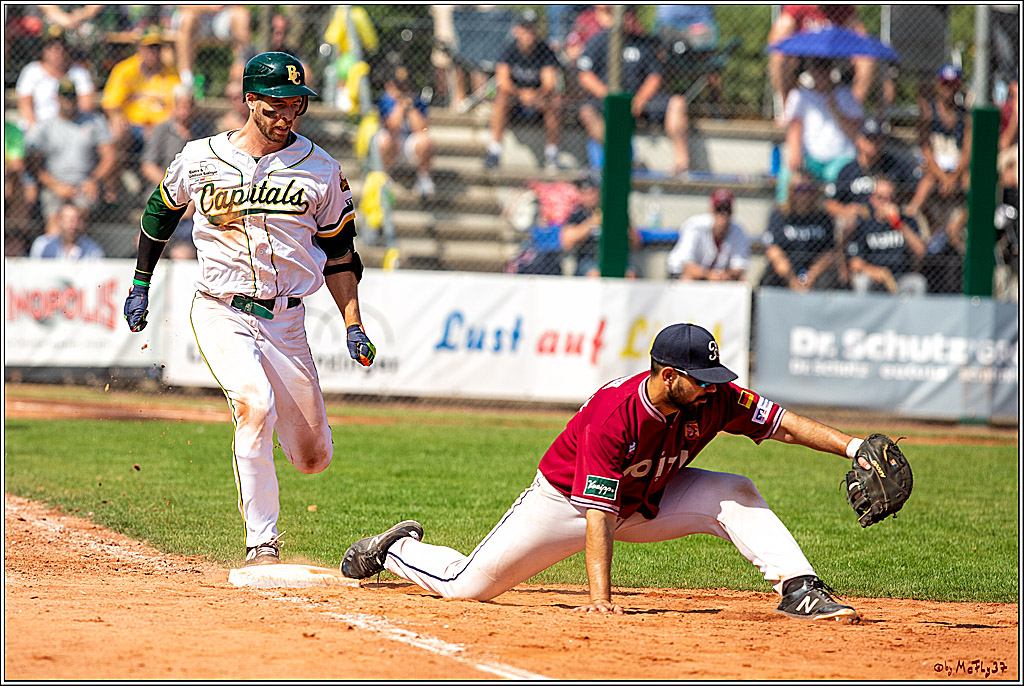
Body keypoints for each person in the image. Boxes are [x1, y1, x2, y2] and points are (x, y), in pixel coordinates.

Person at [342, 322, 876, 621]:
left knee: (735, 491)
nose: (713, 386)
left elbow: (783, 424)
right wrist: (600, 601)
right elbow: (597, 512)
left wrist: (854, 448)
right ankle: (396, 550)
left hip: (650, 497)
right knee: (467, 588)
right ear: (669, 376)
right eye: (701, 378)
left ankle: (800, 587)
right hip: (564, 505)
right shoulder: (613, 414)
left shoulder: (712, 398)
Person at [121, 52, 377, 567]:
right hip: (221, 308)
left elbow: (340, 254)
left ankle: (284, 444)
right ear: (250, 100)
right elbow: (160, 211)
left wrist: (353, 323)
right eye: (276, 105)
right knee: (254, 404)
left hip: (286, 320)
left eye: (295, 105)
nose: (286, 115)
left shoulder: (321, 169)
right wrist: (140, 283)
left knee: (313, 458)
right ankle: (263, 542)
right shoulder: (200, 157)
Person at [576, 6, 690, 174]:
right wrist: (609, 96)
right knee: (586, 111)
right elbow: (584, 75)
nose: (627, 19)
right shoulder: (599, 41)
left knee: (677, 102)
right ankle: (625, 156)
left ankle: (682, 166)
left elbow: (654, 76)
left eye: (630, 15)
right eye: (624, 15)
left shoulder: (644, 43)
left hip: (639, 101)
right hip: (607, 101)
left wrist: (640, 99)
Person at [24, 78, 115, 229]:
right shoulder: (45, 126)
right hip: (54, 186)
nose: (69, 101)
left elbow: (109, 156)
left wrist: (94, 180)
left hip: (85, 185)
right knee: (54, 222)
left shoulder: (94, 121)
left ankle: (80, 243)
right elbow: (32, 164)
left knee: (77, 219)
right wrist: (55, 185)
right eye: (65, 96)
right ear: (57, 98)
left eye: (72, 96)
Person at [484, 9, 565, 171]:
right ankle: (495, 151)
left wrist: (535, 95)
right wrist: (521, 94)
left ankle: (552, 154)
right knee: (501, 97)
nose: (530, 33)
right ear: (517, 30)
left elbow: (549, 83)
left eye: (532, 27)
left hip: (538, 99)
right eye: (526, 28)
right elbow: (503, 81)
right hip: (514, 99)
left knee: (555, 101)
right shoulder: (508, 49)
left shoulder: (545, 50)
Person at [101, 25, 181, 187]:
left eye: (157, 47)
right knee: (117, 131)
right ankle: (111, 187)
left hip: (160, 128)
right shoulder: (125, 70)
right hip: (132, 127)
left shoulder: (171, 74)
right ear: (140, 48)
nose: (153, 52)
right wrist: (118, 118)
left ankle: (171, 187)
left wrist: (157, 127)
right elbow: (110, 104)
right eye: (149, 47)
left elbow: (176, 107)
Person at [777, 56, 863, 204]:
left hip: (840, 159)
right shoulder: (800, 95)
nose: (821, 71)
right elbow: (795, 127)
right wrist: (795, 153)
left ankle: (844, 214)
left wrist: (836, 110)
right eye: (816, 67)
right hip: (810, 159)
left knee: (849, 175)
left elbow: (855, 132)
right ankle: (783, 213)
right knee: (787, 174)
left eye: (825, 66)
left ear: (831, 69)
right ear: (810, 70)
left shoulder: (846, 96)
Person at [767, 5, 873, 122]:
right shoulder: (797, 6)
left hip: (835, 58)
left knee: (867, 58)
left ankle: (852, 111)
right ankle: (788, 110)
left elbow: (861, 39)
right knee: (778, 56)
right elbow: (776, 40)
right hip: (805, 58)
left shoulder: (843, 7)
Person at [141, 84, 214, 252]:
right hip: (164, 193)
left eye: (189, 105)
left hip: (196, 196)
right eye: (182, 105)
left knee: (183, 252)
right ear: (174, 106)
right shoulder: (161, 130)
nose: (186, 110)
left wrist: (192, 200)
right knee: (147, 244)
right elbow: (148, 166)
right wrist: (174, 188)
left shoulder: (205, 131)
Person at [824, 117, 920, 235]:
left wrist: (912, 206)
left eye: (877, 139)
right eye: (869, 139)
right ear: (858, 141)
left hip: (890, 222)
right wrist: (847, 211)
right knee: (848, 222)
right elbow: (829, 203)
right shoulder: (848, 171)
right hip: (859, 226)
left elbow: (918, 182)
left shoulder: (894, 164)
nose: (874, 143)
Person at [904, 65, 972, 231]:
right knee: (926, 183)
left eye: (953, 84)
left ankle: (956, 227)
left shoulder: (965, 116)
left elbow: (967, 151)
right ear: (938, 85)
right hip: (934, 167)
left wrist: (953, 177)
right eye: (945, 84)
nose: (949, 88)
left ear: (959, 86)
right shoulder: (928, 112)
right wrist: (943, 177)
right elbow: (926, 150)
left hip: (956, 167)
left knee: (971, 185)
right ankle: (910, 220)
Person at [846, 176, 927, 295]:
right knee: (861, 281)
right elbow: (854, 263)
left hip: (901, 277)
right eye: (880, 197)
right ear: (872, 199)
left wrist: (898, 224)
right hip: (875, 277)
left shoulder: (906, 219)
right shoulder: (865, 223)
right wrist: (875, 272)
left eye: (889, 198)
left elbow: (920, 251)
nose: (885, 202)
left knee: (918, 283)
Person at [760, 172, 840, 290]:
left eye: (808, 189)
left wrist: (811, 276)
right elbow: (773, 251)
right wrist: (791, 279)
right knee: (769, 278)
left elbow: (830, 252)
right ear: (791, 191)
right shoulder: (779, 215)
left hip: (814, 272)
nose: (803, 194)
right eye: (799, 189)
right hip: (787, 271)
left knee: (829, 279)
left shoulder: (823, 218)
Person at [558, 174, 641, 278]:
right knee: (595, 274)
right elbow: (567, 241)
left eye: (591, 192)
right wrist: (592, 222)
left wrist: (622, 225)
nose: (587, 196)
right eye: (583, 192)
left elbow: (636, 243)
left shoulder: (614, 211)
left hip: (615, 259)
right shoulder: (577, 214)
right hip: (588, 260)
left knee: (630, 275)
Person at [15, 28, 95, 132]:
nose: (58, 51)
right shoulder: (31, 71)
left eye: (62, 46)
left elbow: (86, 106)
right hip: (39, 128)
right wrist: (36, 131)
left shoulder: (80, 72)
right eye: (51, 46)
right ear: (44, 50)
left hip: (72, 128)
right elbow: (25, 106)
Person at [376, 64, 436, 198]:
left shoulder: (417, 101)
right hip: (394, 145)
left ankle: (424, 179)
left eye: (406, 86)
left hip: (410, 145)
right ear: (390, 86)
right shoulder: (385, 101)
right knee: (385, 139)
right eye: (399, 86)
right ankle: (384, 176)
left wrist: (410, 108)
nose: (403, 90)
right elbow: (392, 126)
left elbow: (422, 128)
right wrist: (399, 106)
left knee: (425, 140)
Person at [666, 189, 750, 281]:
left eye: (727, 210)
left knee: (742, 281)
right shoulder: (696, 226)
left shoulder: (738, 231)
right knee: (688, 278)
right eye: (719, 210)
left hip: (716, 274)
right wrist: (708, 275)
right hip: (684, 272)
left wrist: (725, 275)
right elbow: (686, 265)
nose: (723, 215)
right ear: (711, 211)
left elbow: (739, 266)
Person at [170, 5, 252, 88]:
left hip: (220, 16)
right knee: (188, 19)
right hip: (197, 15)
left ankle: (241, 71)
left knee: (241, 15)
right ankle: (186, 77)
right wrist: (208, 7)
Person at [29, 202, 105, 259]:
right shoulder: (42, 245)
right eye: (68, 220)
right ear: (59, 221)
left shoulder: (93, 249)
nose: (73, 225)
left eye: (77, 219)